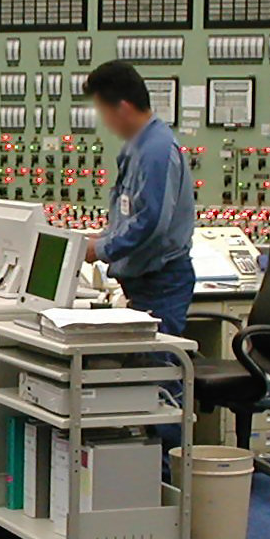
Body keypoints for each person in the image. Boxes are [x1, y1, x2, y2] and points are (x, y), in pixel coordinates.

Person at [82, 60, 198, 454]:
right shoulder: (138, 148)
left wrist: (102, 248)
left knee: (161, 386)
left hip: (161, 283)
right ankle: (151, 480)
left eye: (103, 112)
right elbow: (130, 213)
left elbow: (152, 222)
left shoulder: (156, 150)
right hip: (143, 283)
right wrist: (100, 237)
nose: (105, 123)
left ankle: (171, 488)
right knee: (146, 383)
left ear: (122, 108)